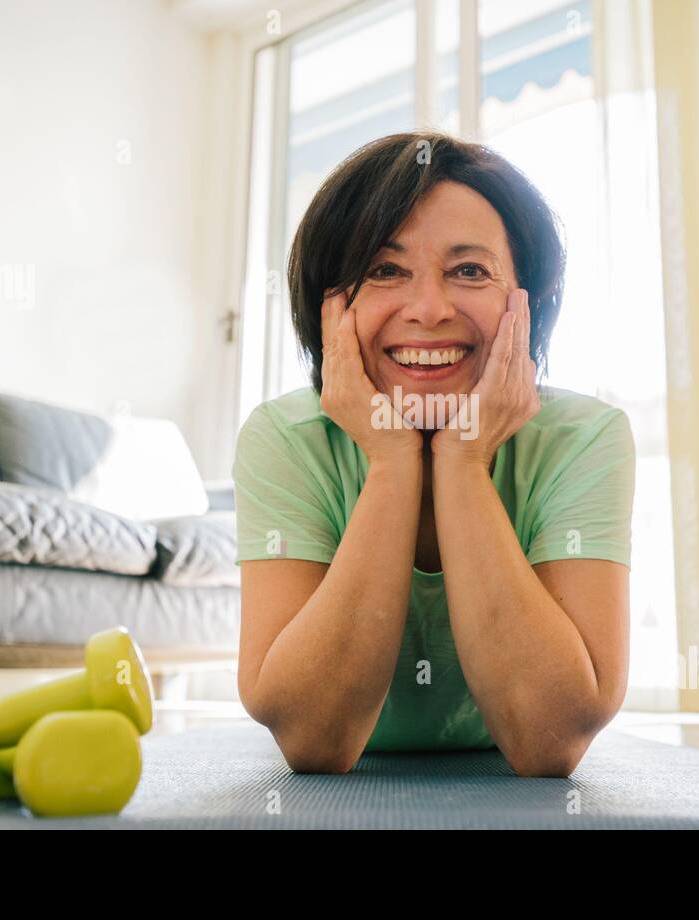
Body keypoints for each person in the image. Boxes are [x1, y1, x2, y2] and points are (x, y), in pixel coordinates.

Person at [232, 131, 635, 777]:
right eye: (385, 270)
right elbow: (312, 739)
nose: (429, 309)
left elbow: (549, 740)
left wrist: (464, 458)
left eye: (470, 270)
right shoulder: (283, 437)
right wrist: (392, 462)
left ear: (526, 302)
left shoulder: (586, 436)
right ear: (329, 305)